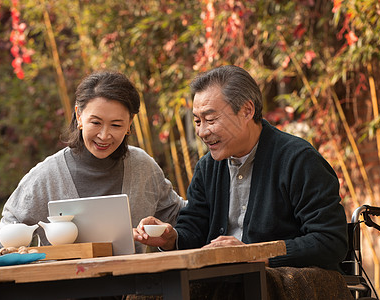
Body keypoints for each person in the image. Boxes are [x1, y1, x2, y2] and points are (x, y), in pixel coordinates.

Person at [134, 65, 348, 271]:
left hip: (287, 281)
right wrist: (172, 239)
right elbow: (194, 231)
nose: (202, 132)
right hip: (228, 281)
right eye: (198, 121)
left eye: (210, 119)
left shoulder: (298, 160)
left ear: (247, 111)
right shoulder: (207, 168)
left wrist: (253, 255)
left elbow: (330, 241)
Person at [0, 70, 185, 253]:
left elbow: (181, 215)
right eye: (96, 122)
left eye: (116, 125)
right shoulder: (47, 175)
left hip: (132, 289)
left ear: (129, 124)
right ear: (79, 116)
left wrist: (169, 234)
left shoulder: (142, 167)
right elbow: (9, 227)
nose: (104, 135)